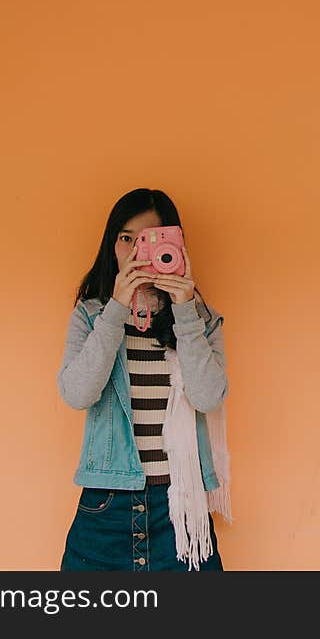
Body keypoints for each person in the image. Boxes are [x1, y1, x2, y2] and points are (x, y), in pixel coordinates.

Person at [57, 188, 231, 571]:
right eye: (126, 238)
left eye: (151, 238)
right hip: (107, 504)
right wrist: (117, 307)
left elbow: (208, 397)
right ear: (111, 245)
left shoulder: (199, 319)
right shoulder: (92, 317)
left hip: (181, 509)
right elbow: (77, 393)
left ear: (174, 242)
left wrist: (185, 311)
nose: (138, 250)